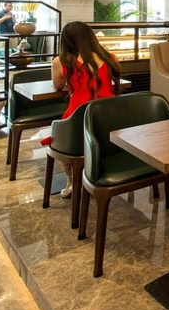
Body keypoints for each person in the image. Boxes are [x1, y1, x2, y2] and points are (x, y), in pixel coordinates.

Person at [50, 21, 122, 197]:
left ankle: (71, 181)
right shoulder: (110, 57)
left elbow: (57, 85)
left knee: (56, 137)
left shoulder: (61, 61)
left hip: (79, 114)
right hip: (110, 115)